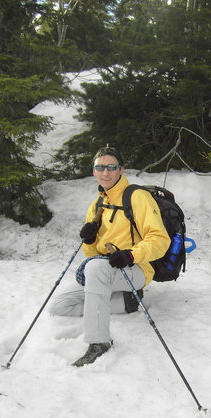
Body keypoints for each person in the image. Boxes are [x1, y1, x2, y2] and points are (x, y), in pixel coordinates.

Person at [49, 146, 170, 367]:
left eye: (112, 167)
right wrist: (90, 240)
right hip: (106, 269)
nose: (106, 173)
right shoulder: (97, 205)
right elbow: (92, 255)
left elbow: (160, 240)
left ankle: (98, 343)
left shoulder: (137, 197)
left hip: (137, 269)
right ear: (93, 171)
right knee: (60, 306)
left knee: (95, 269)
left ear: (121, 170)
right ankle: (126, 302)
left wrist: (131, 255)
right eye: (100, 167)